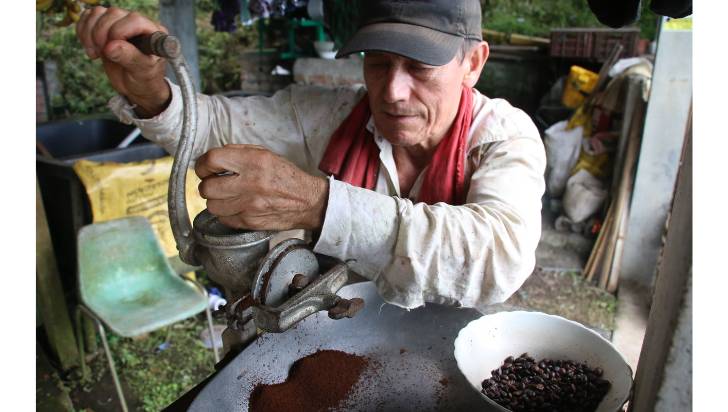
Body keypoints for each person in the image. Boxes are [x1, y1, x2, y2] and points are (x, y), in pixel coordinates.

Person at [75, 0, 546, 312]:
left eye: (421, 67)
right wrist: (152, 90)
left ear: (474, 63)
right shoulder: (329, 115)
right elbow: (211, 126)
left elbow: (499, 258)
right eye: (378, 63)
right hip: (343, 336)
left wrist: (320, 204)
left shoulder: (503, 136)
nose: (394, 92)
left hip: (448, 346)